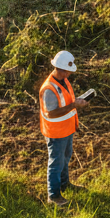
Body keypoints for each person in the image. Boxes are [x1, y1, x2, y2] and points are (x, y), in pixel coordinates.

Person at [39, 50, 89, 206]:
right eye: (68, 70)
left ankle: (65, 184)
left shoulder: (63, 81)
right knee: (56, 163)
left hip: (67, 129)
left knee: (65, 158)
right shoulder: (49, 89)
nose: (70, 73)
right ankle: (53, 196)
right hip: (56, 132)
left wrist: (76, 103)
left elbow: (66, 101)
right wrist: (74, 105)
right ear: (59, 68)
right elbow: (52, 113)